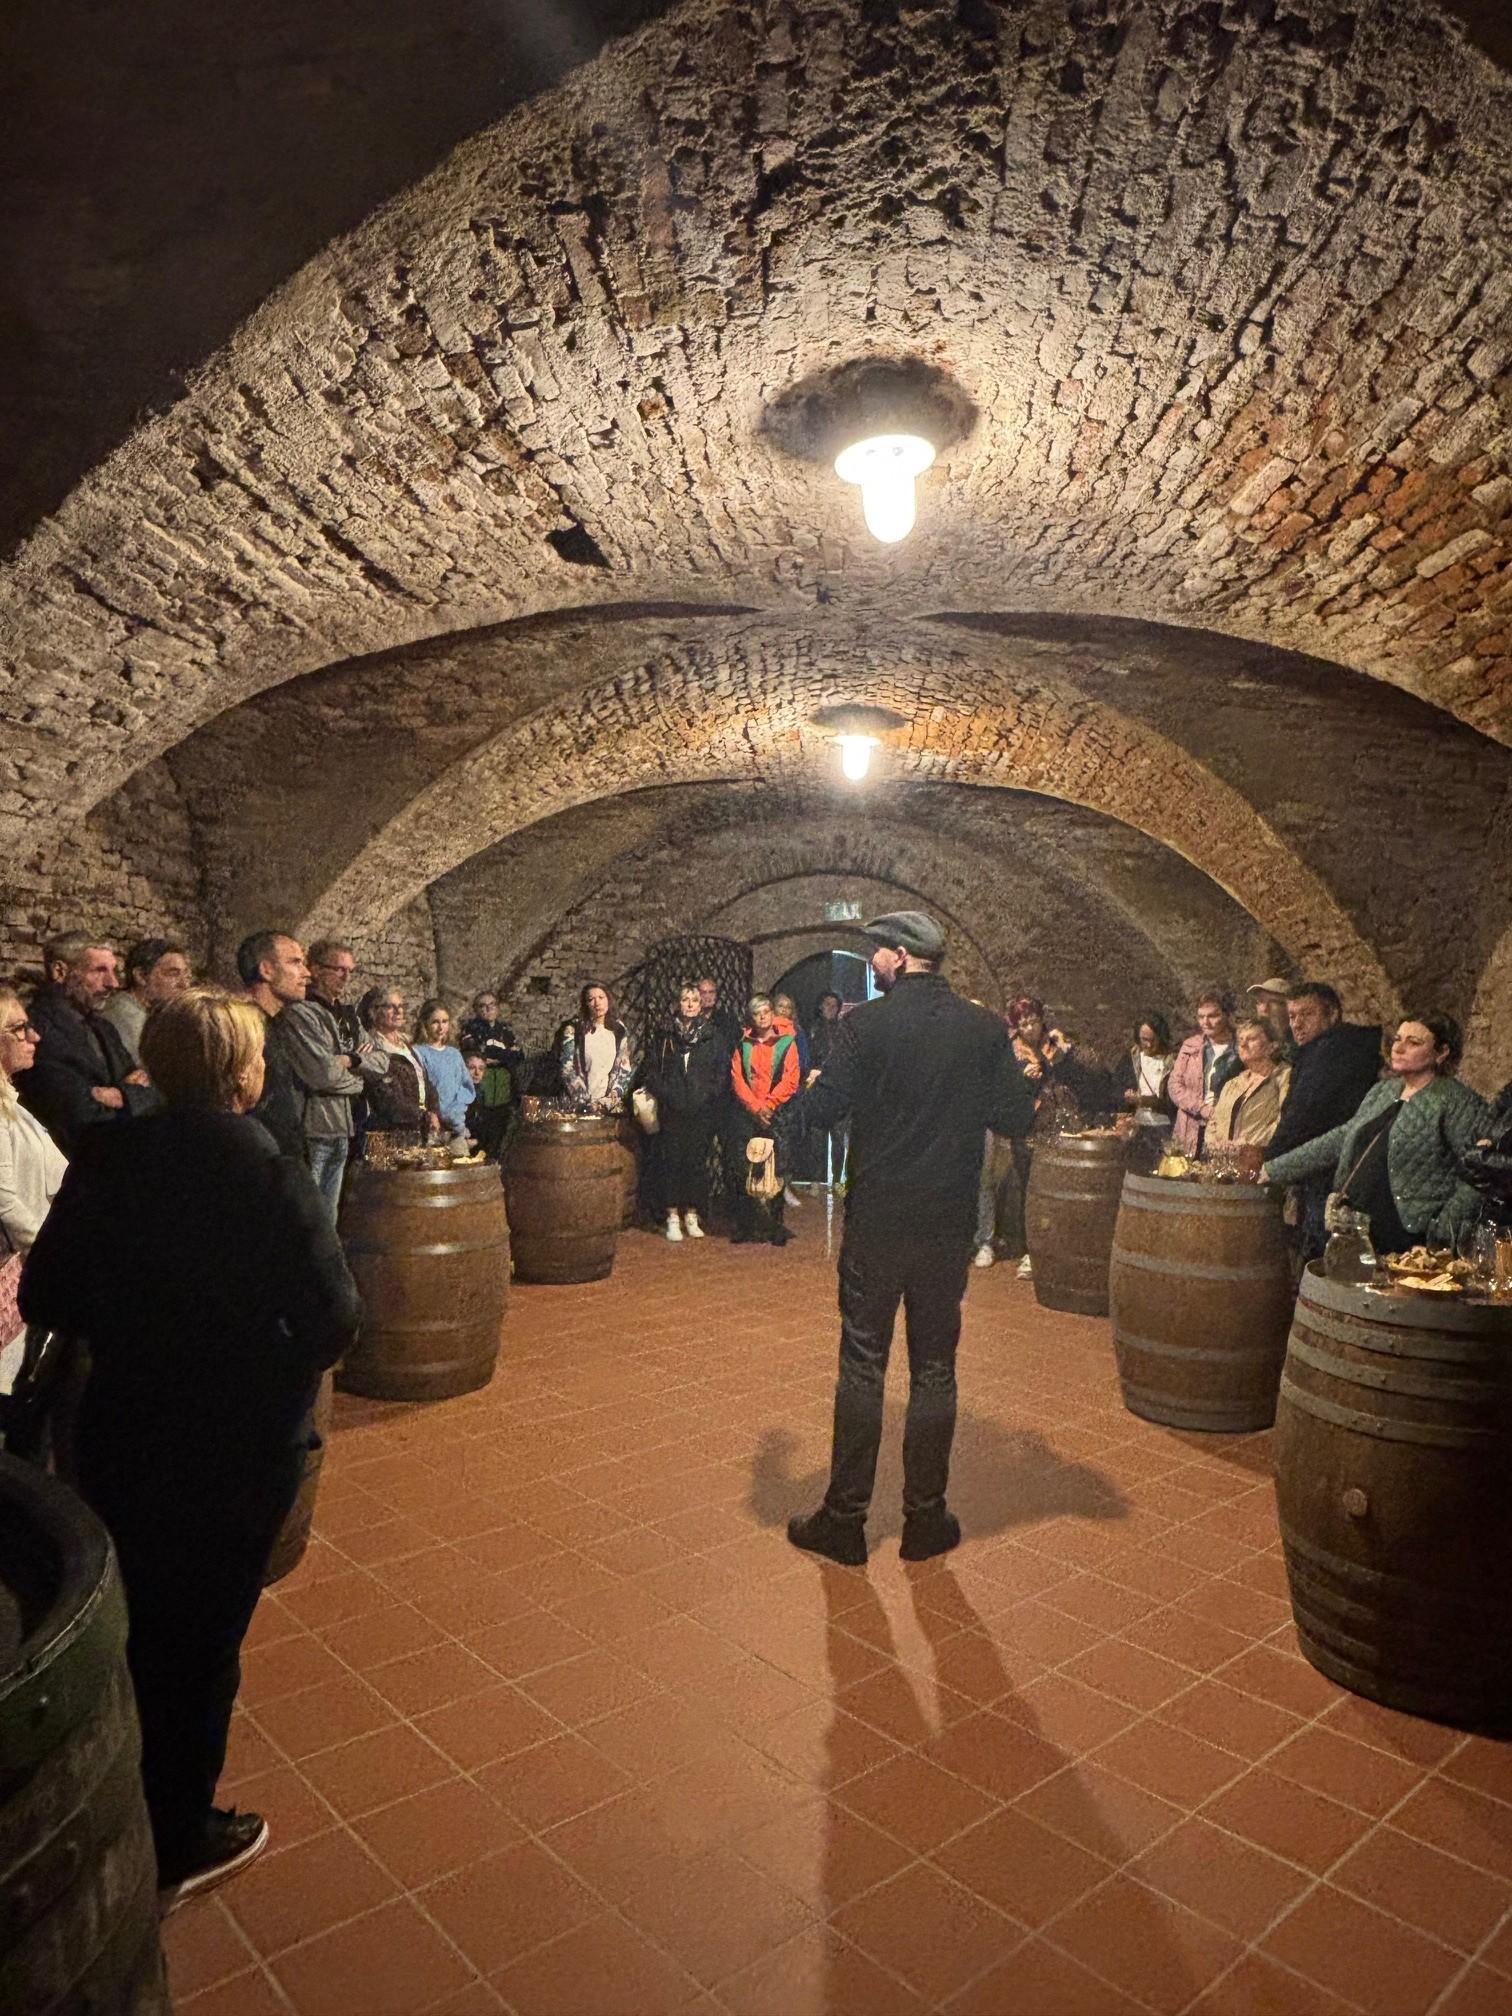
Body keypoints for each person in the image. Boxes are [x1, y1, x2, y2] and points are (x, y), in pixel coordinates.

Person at [19, 989, 360, 1906]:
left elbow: (47, 1295)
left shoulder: (107, 1156)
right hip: (233, 1445)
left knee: (133, 1615)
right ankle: (176, 1838)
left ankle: (120, 1792)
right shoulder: (271, 1172)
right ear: (245, 1073)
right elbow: (334, 1320)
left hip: (124, 1425)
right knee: (203, 1641)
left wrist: (132, 1325)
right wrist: (267, 1370)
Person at [781, 912, 1034, 1565]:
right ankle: (925, 1519)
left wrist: (805, 1096)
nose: (874, 964)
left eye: (877, 953)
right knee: (935, 1367)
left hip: (878, 1221)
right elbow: (1014, 1116)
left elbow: (824, 1111)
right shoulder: (983, 1028)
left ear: (898, 955)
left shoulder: (865, 1025)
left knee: (864, 1362)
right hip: (947, 1224)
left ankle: (844, 1521)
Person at [1263, 1014, 1488, 1255]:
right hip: (1360, 1227)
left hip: (1409, 1235)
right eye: (1398, 1039)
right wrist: (1273, 1169)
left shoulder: (1456, 1101)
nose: (1398, 1048)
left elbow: (1477, 1170)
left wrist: (1444, 1229)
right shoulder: (1383, 1091)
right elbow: (1343, 1137)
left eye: (1413, 1042)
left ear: (1441, 1053)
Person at [1263, 981, 1384, 1257]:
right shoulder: (1324, 1050)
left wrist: (1269, 1159)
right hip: (1320, 1166)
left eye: (1307, 1014)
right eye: (1292, 1016)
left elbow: (1305, 1114)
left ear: (1332, 1015)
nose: (1297, 1024)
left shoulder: (1331, 1053)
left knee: (1322, 1250)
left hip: (1329, 1172)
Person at [16, 932, 159, 1152]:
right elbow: (81, 1118)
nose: (113, 983)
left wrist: (119, 1095)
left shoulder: (103, 1028)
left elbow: (154, 1092)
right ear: (60, 971)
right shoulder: (37, 1031)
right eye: (99, 971)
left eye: (114, 971)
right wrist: (131, 1093)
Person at [999, 995, 1096, 1278]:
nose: (1030, 1028)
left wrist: (1064, 1055)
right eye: (1024, 1024)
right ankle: (1031, 1250)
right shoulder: (1010, 1052)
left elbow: (1084, 1073)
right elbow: (1003, 1089)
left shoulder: (1056, 1042)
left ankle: (1062, 1248)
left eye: (1034, 1021)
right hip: (1029, 1128)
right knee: (1031, 1188)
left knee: (1062, 1185)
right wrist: (1022, 1079)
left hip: (1061, 1122)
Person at [0, 987, 67, 1391]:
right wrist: (50, 1252)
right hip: (17, 1269)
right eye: (18, 1028)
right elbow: (4, 1200)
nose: (34, 1036)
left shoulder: (10, 1104)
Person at [647, 981, 728, 1240]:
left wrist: (706, 1095)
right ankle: (672, 1215)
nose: (691, 1004)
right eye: (685, 999)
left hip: (700, 1110)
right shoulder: (664, 1036)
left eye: (695, 999)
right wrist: (668, 1094)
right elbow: (652, 1071)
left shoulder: (712, 1037)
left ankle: (692, 1214)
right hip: (672, 1109)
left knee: (696, 1162)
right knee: (672, 1162)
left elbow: (721, 1072)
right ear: (677, 1004)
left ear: (701, 1004)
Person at [730, 994, 802, 1245]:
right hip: (749, 1114)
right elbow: (737, 1077)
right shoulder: (743, 1044)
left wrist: (769, 1104)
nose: (762, 1017)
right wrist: (754, 1106)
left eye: (766, 1012)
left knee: (777, 1169)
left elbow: (791, 1078)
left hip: (776, 1113)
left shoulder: (786, 1043)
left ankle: (776, 1225)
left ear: (772, 1013)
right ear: (751, 1017)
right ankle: (746, 1225)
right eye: (757, 1013)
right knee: (745, 1168)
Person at [236, 930, 309, 1161]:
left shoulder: (279, 1024)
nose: (306, 973)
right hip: (258, 1158)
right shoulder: (242, 1028)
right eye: (295, 962)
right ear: (266, 970)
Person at [357, 986, 440, 1138]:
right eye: (391, 1007)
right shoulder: (372, 1047)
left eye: (401, 1006)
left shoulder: (407, 1045)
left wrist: (433, 1112)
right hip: (392, 1132)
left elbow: (425, 1082)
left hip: (419, 1126)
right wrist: (422, 1116)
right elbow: (383, 1097)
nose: (398, 1011)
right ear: (374, 1011)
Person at [98, 937, 193, 1065]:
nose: (184, 985)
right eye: (173, 974)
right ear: (141, 976)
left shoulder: (154, 1014)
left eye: (187, 976)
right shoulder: (124, 1017)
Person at [1169, 990, 1241, 1154]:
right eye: (1201, 1017)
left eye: (1213, 1016)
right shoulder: (1190, 1046)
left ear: (1227, 1015)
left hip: (1224, 1128)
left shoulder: (1240, 1048)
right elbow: (1174, 1085)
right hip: (1189, 1127)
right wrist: (1200, 1108)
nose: (1205, 1022)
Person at [1206, 1018, 1291, 1149]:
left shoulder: (1284, 1076)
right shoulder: (1231, 1084)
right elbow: (1213, 1122)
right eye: (1240, 1040)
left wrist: (1247, 1144)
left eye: (1251, 1039)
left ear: (1272, 1046)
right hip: (1223, 1158)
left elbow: (1284, 1121)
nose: (1243, 1044)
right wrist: (1215, 1144)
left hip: (1262, 1157)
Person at [559, 983, 634, 1112]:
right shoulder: (574, 1030)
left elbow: (624, 1068)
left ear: (608, 1000)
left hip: (605, 1106)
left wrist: (613, 1094)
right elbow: (567, 1068)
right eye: (591, 999)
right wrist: (584, 1103)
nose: (597, 1003)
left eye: (601, 997)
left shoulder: (618, 1030)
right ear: (586, 1004)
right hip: (576, 1105)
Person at [414, 999, 476, 1139]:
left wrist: (455, 1114)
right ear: (425, 1024)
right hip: (429, 1125)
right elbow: (419, 1089)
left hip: (455, 1125)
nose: (441, 1027)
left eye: (444, 1021)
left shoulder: (454, 1054)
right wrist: (433, 1113)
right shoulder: (418, 1052)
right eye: (435, 1022)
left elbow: (466, 1088)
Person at [806, 990, 849, 1185]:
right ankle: (816, 1180)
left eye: (834, 1005)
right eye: (827, 1004)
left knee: (839, 1139)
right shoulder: (812, 1030)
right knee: (816, 1140)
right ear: (820, 1007)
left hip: (838, 1091)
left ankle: (837, 1180)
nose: (830, 1009)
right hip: (817, 1090)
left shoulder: (844, 1031)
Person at [1111, 1013, 1177, 1131]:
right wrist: (1127, 1097)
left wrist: (1144, 1101)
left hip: (1165, 1127)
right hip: (1136, 1128)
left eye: (1153, 1040)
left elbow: (1174, 1101)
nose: (1149, 1045)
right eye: (1144, 1040)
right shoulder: (1130, 1059)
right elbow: (1116, 1090)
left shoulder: (1173, 1061)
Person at [460, 990, 526, 1105]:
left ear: (497, 1008)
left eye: (492, 1004)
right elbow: (477, 1054)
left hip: (503, 1088)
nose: (488, 1009)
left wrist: (497, 1056)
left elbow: (519, 1055)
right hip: (479, 1089)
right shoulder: (470, 1029)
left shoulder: (505, 1031)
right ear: (475, 1009)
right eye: (483, 1006)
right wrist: (505, 1055)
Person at [460, 1045, 511, 1160]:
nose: (477, 1073)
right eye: (472, 1068)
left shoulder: (479, 1094)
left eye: (481, 1068)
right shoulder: (457, 1093)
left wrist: (478, 1141)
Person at [1246, 977, 1297, 1062]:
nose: (1264, 1009)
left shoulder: (1299, 1042)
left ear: (1288, 1007)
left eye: (1273, 1003)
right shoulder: (1248, 1044)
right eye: (1260, 1001)